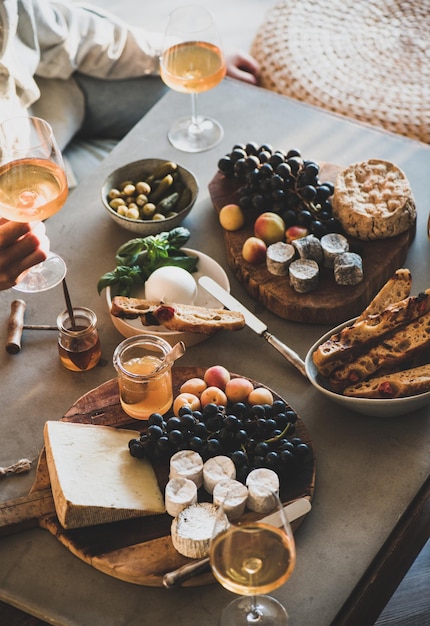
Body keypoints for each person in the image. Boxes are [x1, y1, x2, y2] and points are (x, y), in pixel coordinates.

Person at [0, 0, 260, 289]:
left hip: (53, 108)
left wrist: (183, 54)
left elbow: (66, 30)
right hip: (20, 191)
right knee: (91, 233)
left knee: (176, 96)